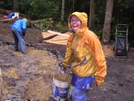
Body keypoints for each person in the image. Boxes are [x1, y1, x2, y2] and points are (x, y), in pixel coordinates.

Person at [61, 12, 107, 101]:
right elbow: (69, 52)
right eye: (72, 20)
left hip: (86, 74)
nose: (74, 22)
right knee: (73, 91)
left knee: (77, 95)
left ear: (83, 22)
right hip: (76, 71)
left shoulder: (90, 37)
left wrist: (100, 77)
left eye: (77, 20)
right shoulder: (72, 36)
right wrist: (65, 64)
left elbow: (100, 58)